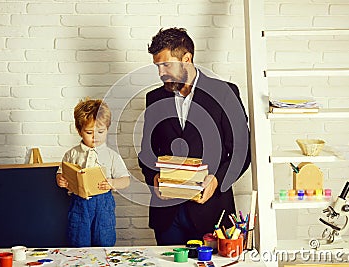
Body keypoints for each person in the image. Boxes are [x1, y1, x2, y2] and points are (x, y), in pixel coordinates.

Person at [138, 27, 251, 245]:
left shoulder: (225, 93)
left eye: (166, 64)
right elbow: (147, 153)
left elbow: (242, 150)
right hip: (167, 215)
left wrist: (216, 181)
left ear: (187, 59)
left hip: (211, 210)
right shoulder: (153, 98)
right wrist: (154, 179)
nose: (161, 73)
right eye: (157, 66)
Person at [56, 98, 130, 247]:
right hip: (79, 203)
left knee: (104, 240)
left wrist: (113, 183)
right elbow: (61, 173)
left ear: (107, 129)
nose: (95, 136)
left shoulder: (111, 155)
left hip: (103, 204)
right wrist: (60, 180)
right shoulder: (72, 154)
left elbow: (126, 180)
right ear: (79, 130)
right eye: (89, 132)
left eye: (100, 131)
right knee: (78, 240)